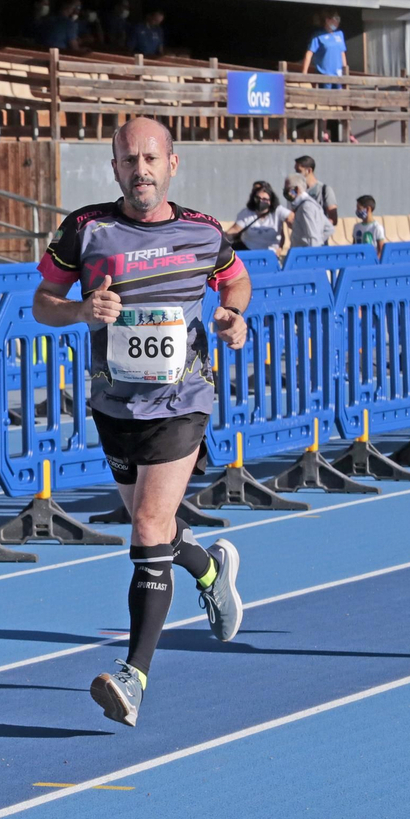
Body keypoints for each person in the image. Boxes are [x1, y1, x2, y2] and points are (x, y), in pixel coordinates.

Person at [33, 116, 247, 728]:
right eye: (129, 160)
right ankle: (209, 568)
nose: (140, 170)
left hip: (183, 401)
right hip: (114, 403)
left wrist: (233, 317)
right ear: (115, 168)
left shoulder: (204, 232)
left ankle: (134, 674)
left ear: (172, 164)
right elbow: (41, 304)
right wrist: (79, 308)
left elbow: (237, 283)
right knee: (152, 530)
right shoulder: (85, 229)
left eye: (151, 158)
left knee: (149, 526)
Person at [227, 180, 290, 252]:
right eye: (257, 198)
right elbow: (234, 230)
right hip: (249, 251)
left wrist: (280, 249)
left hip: (271, 253)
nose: (261, 201)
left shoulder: (278, 211)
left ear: (271, 200)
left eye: (264, 199)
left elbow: (291, 219)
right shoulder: (246, 213)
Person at [283, 172, 335, 248]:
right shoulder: (308, 204)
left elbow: (313, 237)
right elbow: (329, 228)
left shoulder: (306, 207)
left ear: (297, 189)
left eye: (287, 189)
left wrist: (309, 251)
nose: (285, 191)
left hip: (304, 256)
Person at [302, 10, 347, 88]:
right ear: (327, 20)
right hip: (324, 74)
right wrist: (304, 73)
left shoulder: (339, 34)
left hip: (338, 74)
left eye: (339, 19)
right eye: (336, 18)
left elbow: (342, 52)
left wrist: (345, 69)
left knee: (339, 98)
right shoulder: (318, 35)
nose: (338, 21)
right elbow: (309, 53)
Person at [292, 155, 338, 224]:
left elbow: (333, 219)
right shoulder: (296, 191)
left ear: (309, 170)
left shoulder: (324, 190)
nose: (296, 174)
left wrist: (316, 227)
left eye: (299, 171)